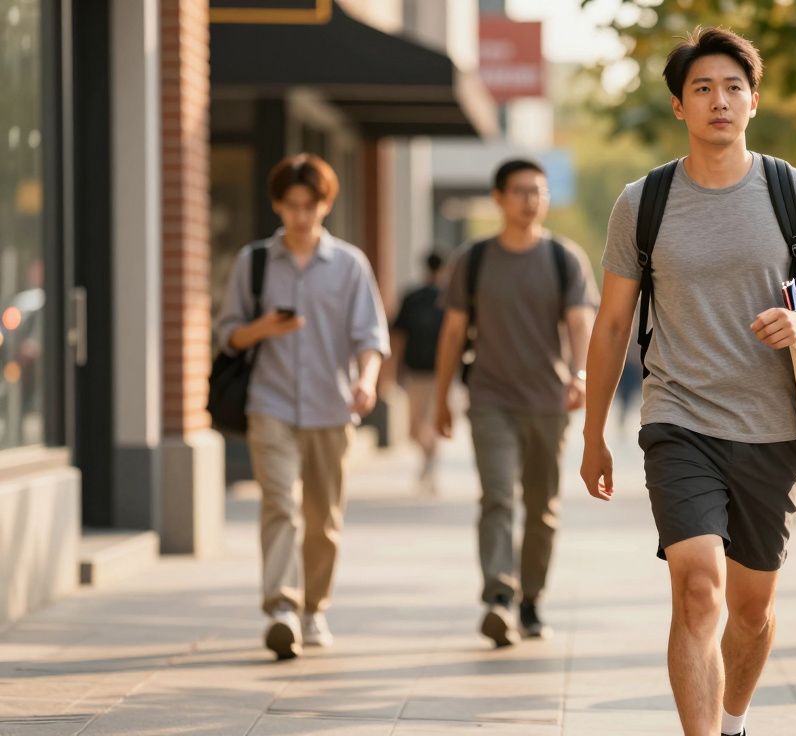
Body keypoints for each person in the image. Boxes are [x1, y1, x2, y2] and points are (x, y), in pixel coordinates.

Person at [580, 28, 796, 736]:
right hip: (678, 419)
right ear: (679, 105)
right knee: (698, 590)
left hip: (772, 425)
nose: (719, 101)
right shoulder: (642, 202)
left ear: (754, 101)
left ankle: (733, 721)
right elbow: (613, 325)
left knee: (752, 611)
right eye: (702, 88)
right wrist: (591, 437)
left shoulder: (792, 192)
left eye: (733, 87)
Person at [215, 153, 390, 660]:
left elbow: (370, 335)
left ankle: (315, 609)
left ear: (325, 205)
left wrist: (367, 381)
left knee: (323, 517)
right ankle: (281, 609)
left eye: (310, 205)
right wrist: (262, 328)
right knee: (281, 507)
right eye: (291, 205)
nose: (300, 215)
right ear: (277, 205)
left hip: (332, 407)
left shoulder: (350, 264)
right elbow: (228, 334)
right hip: (269, 404)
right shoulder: (254, 262)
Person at [433, 159, 598, 648]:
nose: (531, 200)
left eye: (539, 191)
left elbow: (578, 323)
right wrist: (440, 398)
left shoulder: (563, 258)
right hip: (490, 399)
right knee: (498, 498)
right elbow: (453, 332)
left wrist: (581, 375)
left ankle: (531, 600)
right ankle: (499, 598)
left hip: (548, 402)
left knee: (542, 507)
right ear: (499, 198)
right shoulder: (475, 259)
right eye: (521, 191)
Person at [391, 250, 447, 492]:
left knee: (432, 422)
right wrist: (393, 370)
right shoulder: (413, 298)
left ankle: (430, 465)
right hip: (417, 372)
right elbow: (399, 335)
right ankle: (429, 459)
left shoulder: (451, 299)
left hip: (441, 373)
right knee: (415, 428)